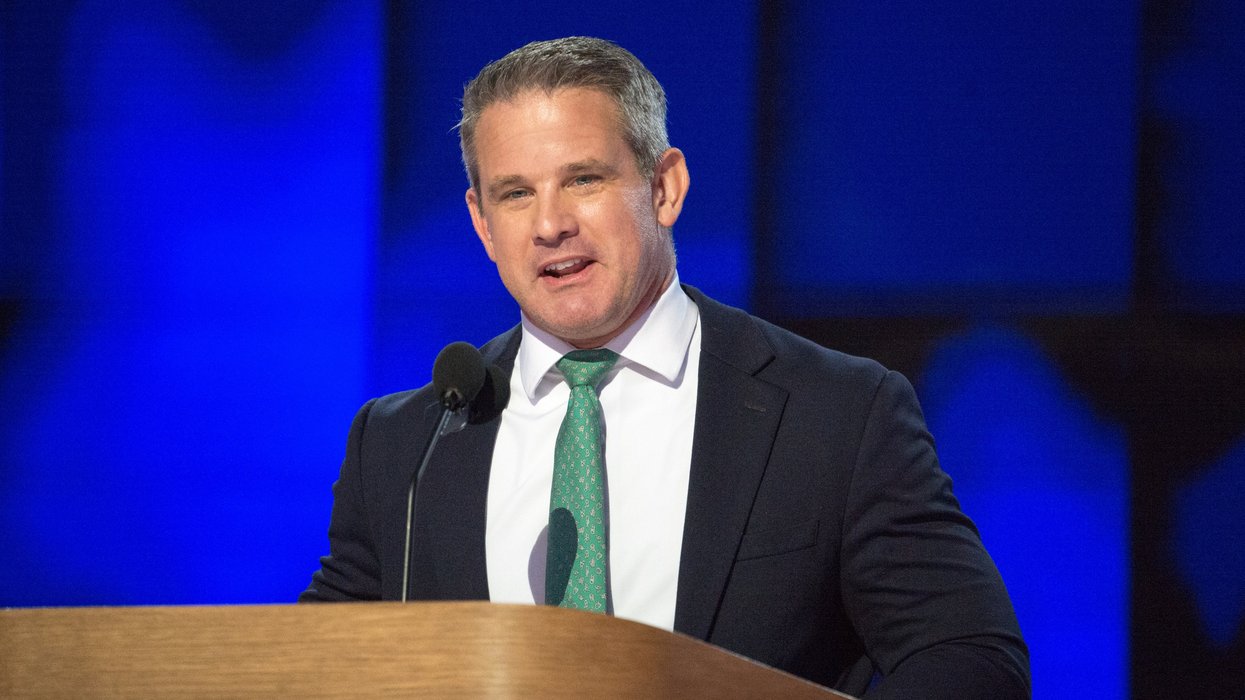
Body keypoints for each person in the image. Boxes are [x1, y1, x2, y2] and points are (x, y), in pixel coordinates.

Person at [301, 36, 1029, 698]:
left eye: (583, 179)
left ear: (664, 187)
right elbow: (306, 668)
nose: (549, 223)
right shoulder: (406, 445)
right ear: (482, 223)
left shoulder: (836, 411)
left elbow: (967, 659)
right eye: (515, 193)